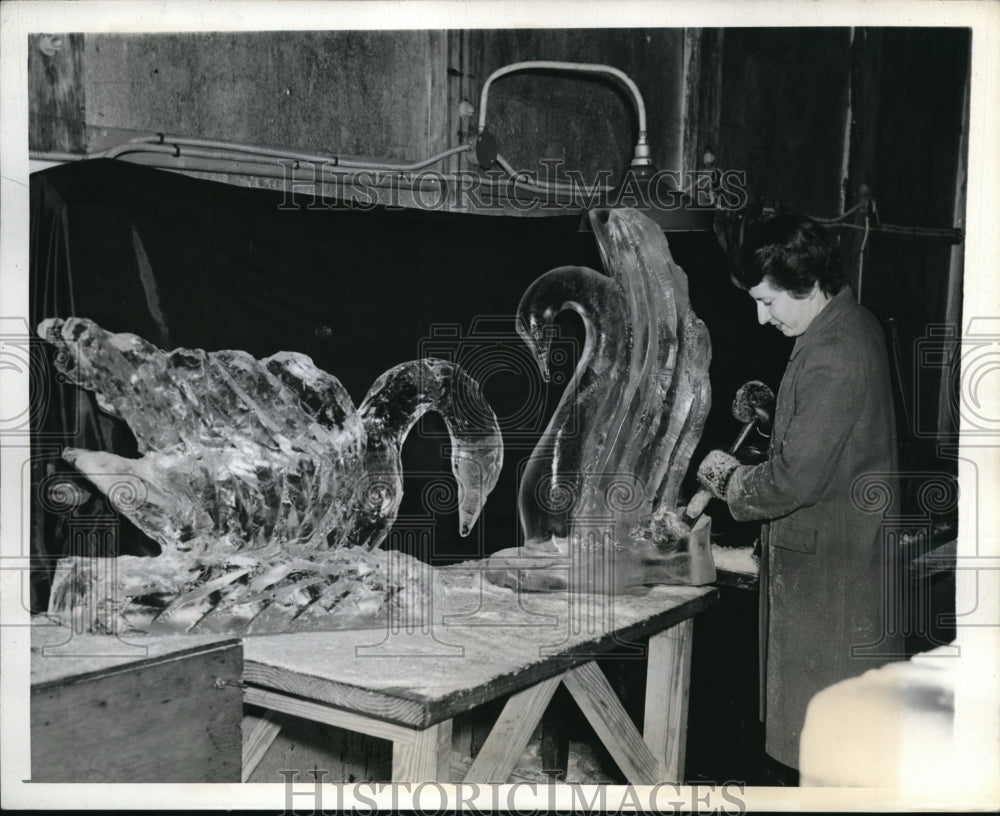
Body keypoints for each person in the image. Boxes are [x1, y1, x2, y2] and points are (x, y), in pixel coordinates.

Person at [694, 213, 904, 780]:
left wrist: (728, 479)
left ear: (806, 286)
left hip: (831, 589)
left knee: (827, 760)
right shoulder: (849, 325)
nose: (762, 319)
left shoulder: (833, 354)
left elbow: (792, 482)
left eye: (767, 301)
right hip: (843, 565)